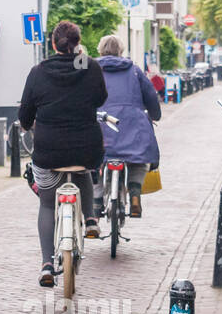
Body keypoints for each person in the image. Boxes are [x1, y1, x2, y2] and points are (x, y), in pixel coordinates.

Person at [18, 20, 108, 288]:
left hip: (48, 150)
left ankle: (47, 264)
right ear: (78, 43)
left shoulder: (38, 72)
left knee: (47, 204)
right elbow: (101, 98)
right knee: (84, 169)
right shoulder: (89, 66)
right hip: (87, 146)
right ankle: (91, 218)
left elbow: (25, 115)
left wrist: (29, 122)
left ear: (53, 44)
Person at [94, 35, 161, 219]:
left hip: (101, 124)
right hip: (132, 124)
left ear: (100, 50)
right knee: (139, 159)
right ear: (121, 51)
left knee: (93, 159)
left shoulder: (91, 69)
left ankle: (96, 200)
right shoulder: (134, 70)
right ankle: (135, 194)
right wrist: (155, 115)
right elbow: (150, 96)